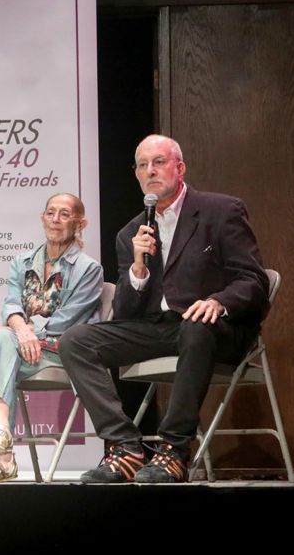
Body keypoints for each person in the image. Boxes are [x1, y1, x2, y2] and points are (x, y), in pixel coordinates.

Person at [60, 135, 269, 483]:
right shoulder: (131, 233)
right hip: (161, 329)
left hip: (215, 330)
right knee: (76, 341)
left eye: (158, 162)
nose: (150, 171)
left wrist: (218, 300)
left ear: (180, 168)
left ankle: (174, 450)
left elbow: (254, 281)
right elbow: (126, 313)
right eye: (143, 165)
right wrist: (137, 270)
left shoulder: (220, 211)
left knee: (194, 326)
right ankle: (125, 447)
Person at [0, 193, 103, 483]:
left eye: (64, 214)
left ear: (80, 223)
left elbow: (65, 323)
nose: (56, 220)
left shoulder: (89, 269)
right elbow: (11, 304)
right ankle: (1, 434)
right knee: (1, 342)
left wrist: (17, 331)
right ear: (42, 218)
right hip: (23, 351)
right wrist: (18, 330)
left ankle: (1, 458)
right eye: (50, 213)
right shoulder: (22, 262)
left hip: (63, 353)